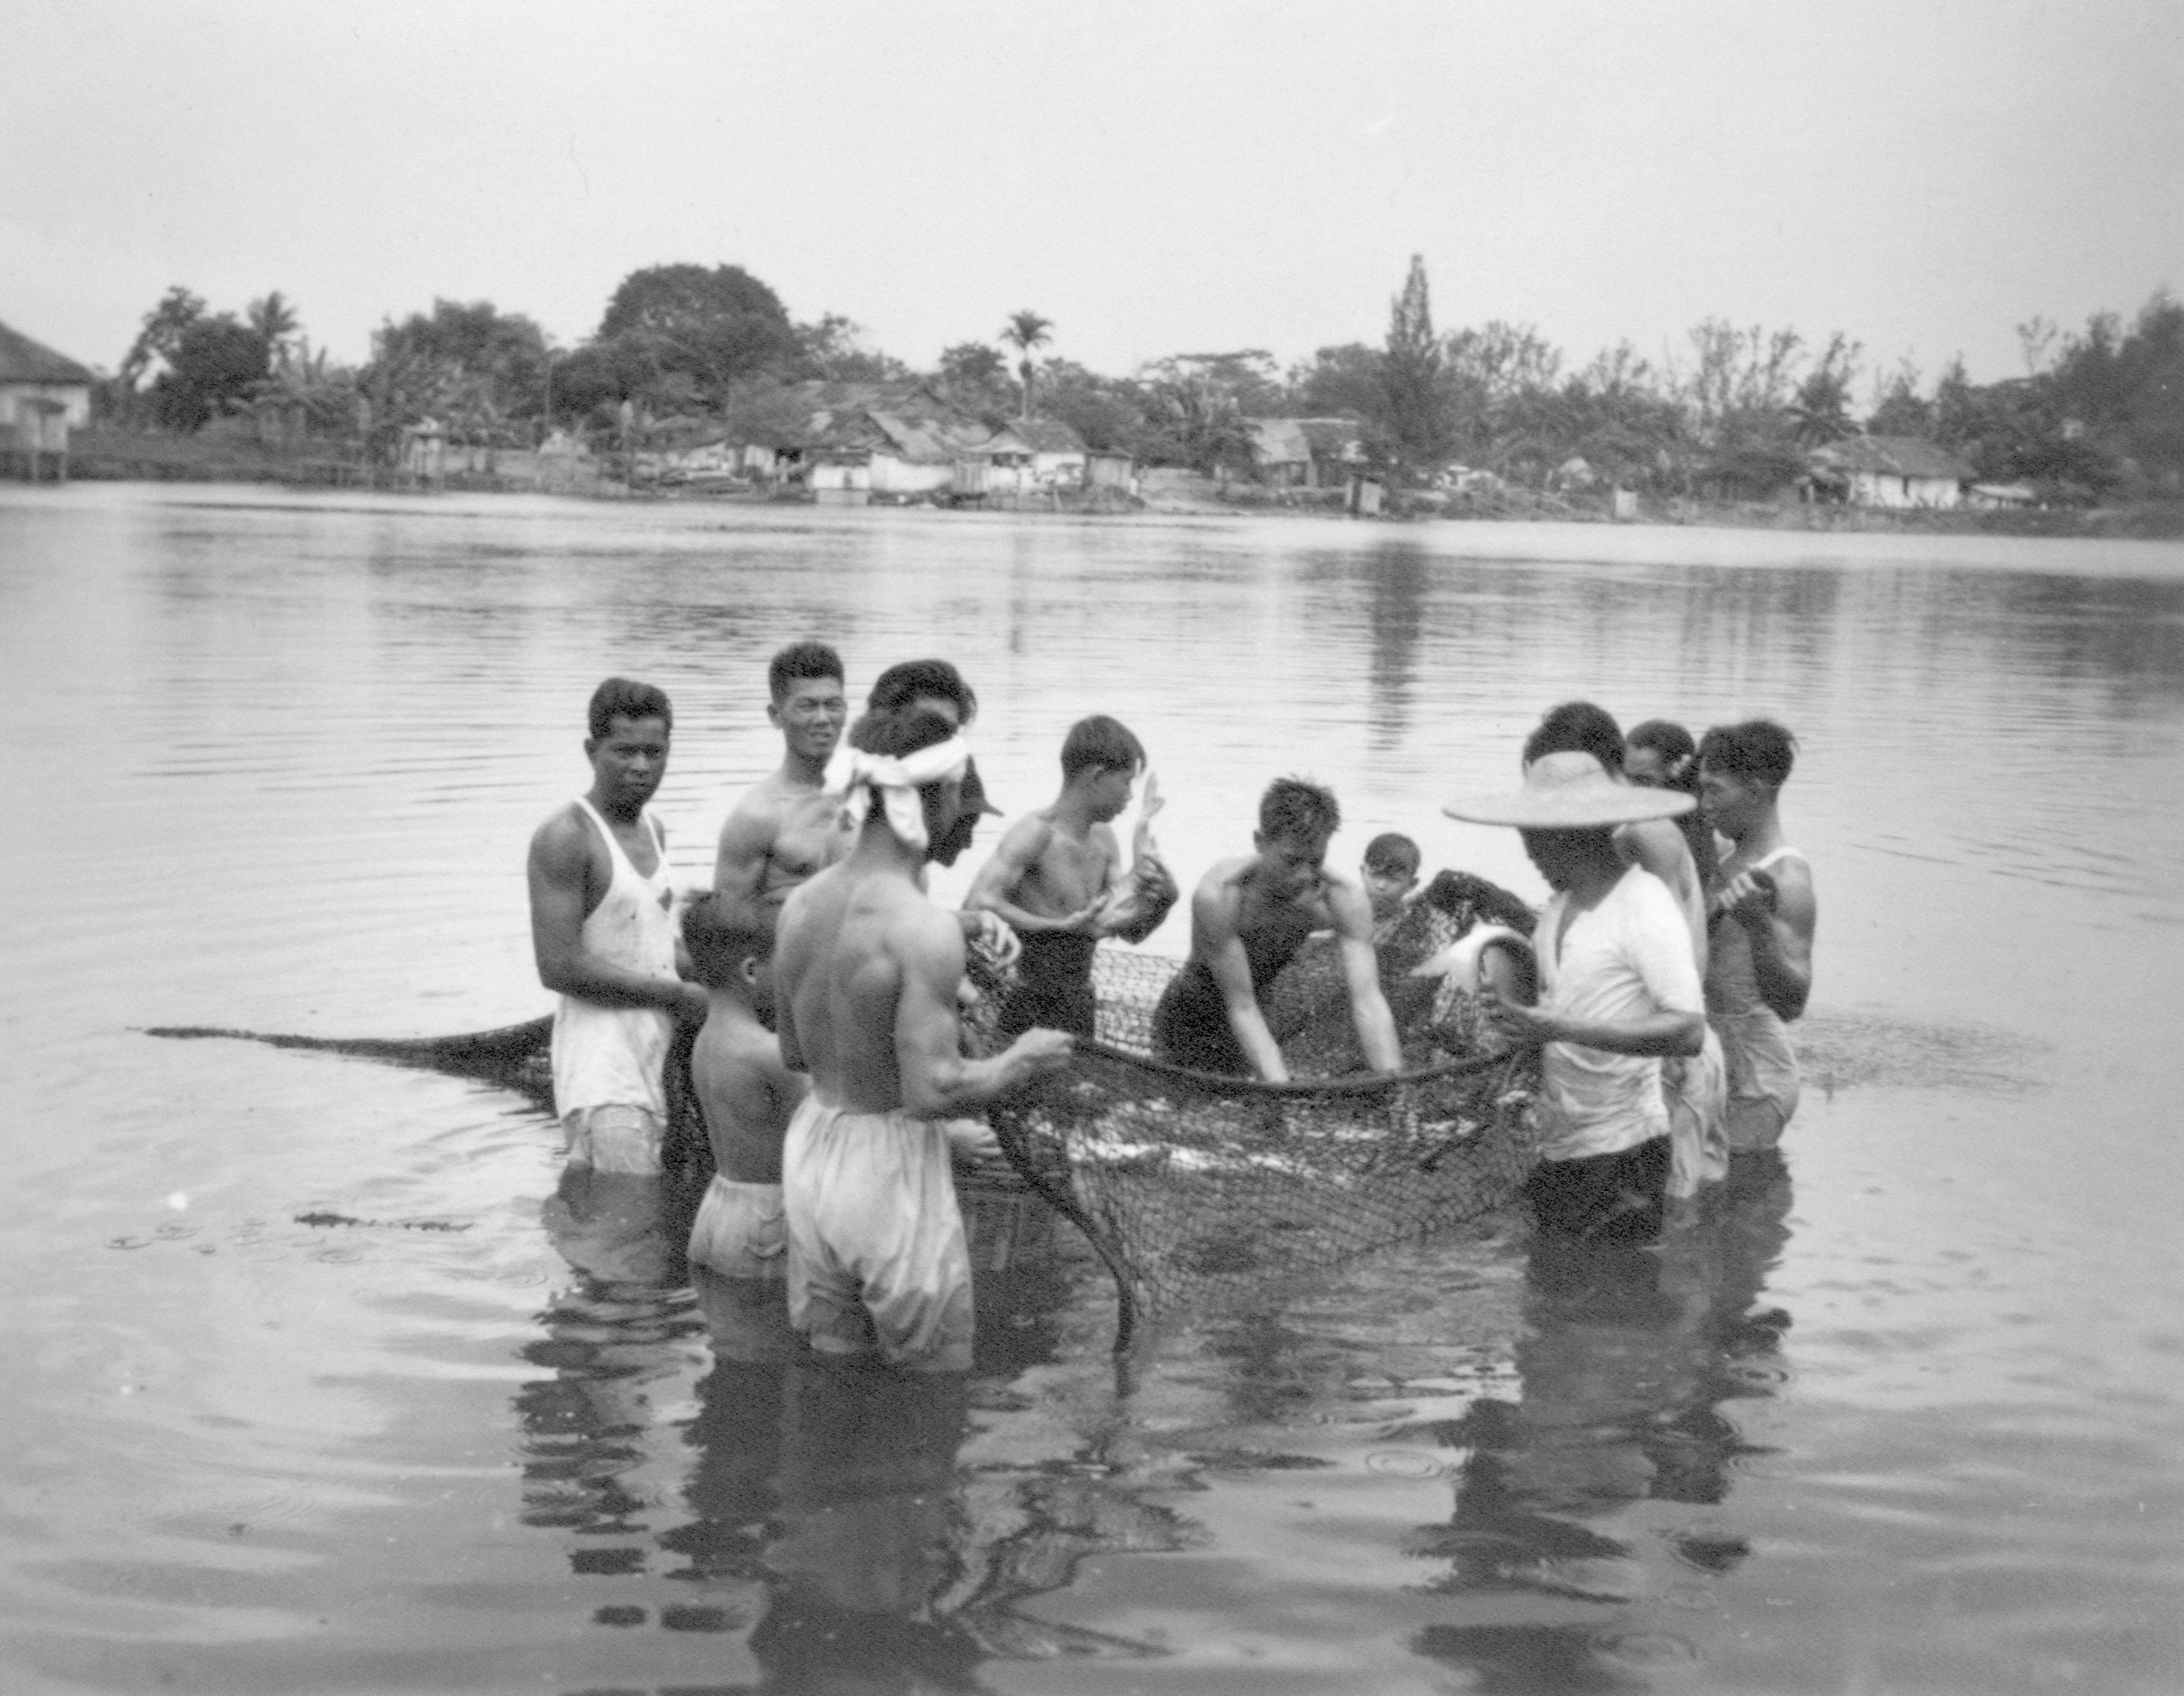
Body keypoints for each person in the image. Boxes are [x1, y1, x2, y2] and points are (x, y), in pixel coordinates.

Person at [774, 701, 1074, 1371]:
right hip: (888, 1168)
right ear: (934, 795)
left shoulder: (801, 904)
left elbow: (794, 1052)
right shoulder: (921, 928)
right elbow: (934, 1090)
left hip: (813, 1144)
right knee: (932, 1375)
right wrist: (1025, 1058)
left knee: (834, 1364)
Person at [1444, 751, 1707, 1242]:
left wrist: (1559, 1028)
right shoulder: (1558, 910)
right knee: (1556, 1296)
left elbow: (1689, 1031)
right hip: (1561, 1143)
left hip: (1625, 1147)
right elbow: (1556, 1009)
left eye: (1532, 841)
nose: (1529, 856)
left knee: (1613, 1304)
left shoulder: (1644, 905)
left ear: (1563, 836)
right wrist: (1513, 1013)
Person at [527, 677, 707, 1177]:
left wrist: (722, 975)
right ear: (591, 750)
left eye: (655, 752)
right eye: (624, 751)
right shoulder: (567, 836)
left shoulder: (655, 829)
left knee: (626, 1225)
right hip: (603, 1076)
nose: (641, 767)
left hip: (652, 1058)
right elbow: (559, 966)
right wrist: (679, 997)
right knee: (624, 1236)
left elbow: (649, 943)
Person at [1152, 777, 1402, 1082]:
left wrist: (1393, 1081)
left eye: (1316, 860)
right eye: (1291, 861)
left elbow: (1368, 1001)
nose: (1304, 875)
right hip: (1191, 1019)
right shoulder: (1221, 894)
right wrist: (1282, 1090)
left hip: (1262, 1010)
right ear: (1260, 842)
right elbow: (1240, 1006)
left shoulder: (1342, 899)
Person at [965, 714, 1177, 1041]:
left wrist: (1164, 898)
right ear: (1097, 776)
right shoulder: (1035, 834)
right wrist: (1056, 926)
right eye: (1125, 782)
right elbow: (978, 903)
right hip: (1025, 999)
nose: (1129, 796)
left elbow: (1128, 930)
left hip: (1079, 1002)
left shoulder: (1105, 840)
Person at [1698, 720, 1816, 1153]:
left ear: (1758, 788)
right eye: (1701, 788)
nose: (1705, 803)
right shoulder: (1724, 854)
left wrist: (1759, 926)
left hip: (1757, 1080)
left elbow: (1792, 1004)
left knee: (1731, 1201)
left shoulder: (1788, 877)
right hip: (1714, 1061)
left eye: (1716, 790)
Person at [681, 893, 806, 1284]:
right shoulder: (768, 1053)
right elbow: (828, 1134)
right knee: (773, 1337)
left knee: (731, 1332)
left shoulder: (706, 1042)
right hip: (767, 1223)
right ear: (751, 971)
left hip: (718, 1209)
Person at [712, 642, 853, 918]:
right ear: (776, 716)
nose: (823, 719)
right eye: (807, 707)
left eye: (833, 705)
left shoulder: (871, 797)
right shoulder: (757, 816)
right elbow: (726, 928)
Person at [1625, 718, 1720, 896]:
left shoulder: (1692, 837)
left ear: (1676, 780)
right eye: (1627, 778)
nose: (1631, 791)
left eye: (1644, 781)